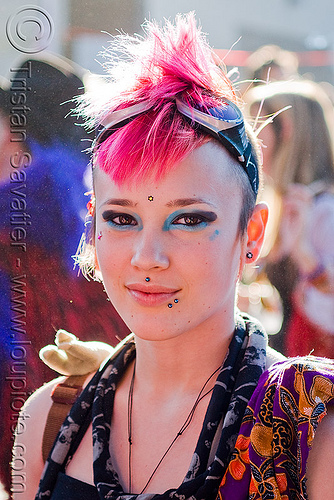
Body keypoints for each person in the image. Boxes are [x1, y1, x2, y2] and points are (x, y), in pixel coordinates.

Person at [14, 14, 334, 500]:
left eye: (188, 219)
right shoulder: (47, 422)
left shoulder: (311, 431)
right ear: (92, 224)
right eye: (122, 219)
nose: (148, 257)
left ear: (252, 233)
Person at [246, 80, 334, 357]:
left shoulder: (325, 208)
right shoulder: (282, 203)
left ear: (286, 132)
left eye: (258, 130)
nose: (250, 144)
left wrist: (305, 254)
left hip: (316, 382)